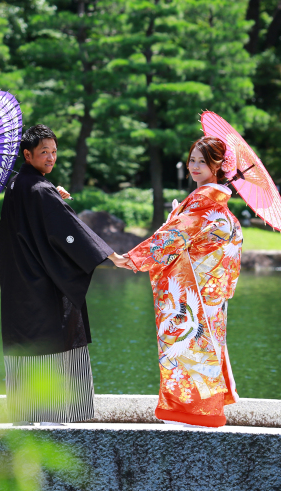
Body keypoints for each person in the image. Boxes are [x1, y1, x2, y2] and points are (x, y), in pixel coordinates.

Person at [110, 137, 243, 427]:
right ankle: (206, 411)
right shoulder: (223, 211)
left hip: (193, 290)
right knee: (202, 350)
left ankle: (187, 413)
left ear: (218, 165)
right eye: (192, 160)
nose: (195, 167)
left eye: (203, 161)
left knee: (188, 349)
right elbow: (230, 259)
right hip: (211, 295)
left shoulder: (202, 205)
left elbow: (172, 239)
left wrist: (132, 259)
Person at [0, 124, 118, 425]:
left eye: (53, 152)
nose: (51, 158)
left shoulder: (16, 185)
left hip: (18, 283)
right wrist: (108, 254)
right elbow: (66, 230)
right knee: (55, 336)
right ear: (27, 154)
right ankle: (56, 414)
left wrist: (52, 193)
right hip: (41, 285)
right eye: (43, 153)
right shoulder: (39, 189)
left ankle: (25, 414)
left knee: (25, 342)